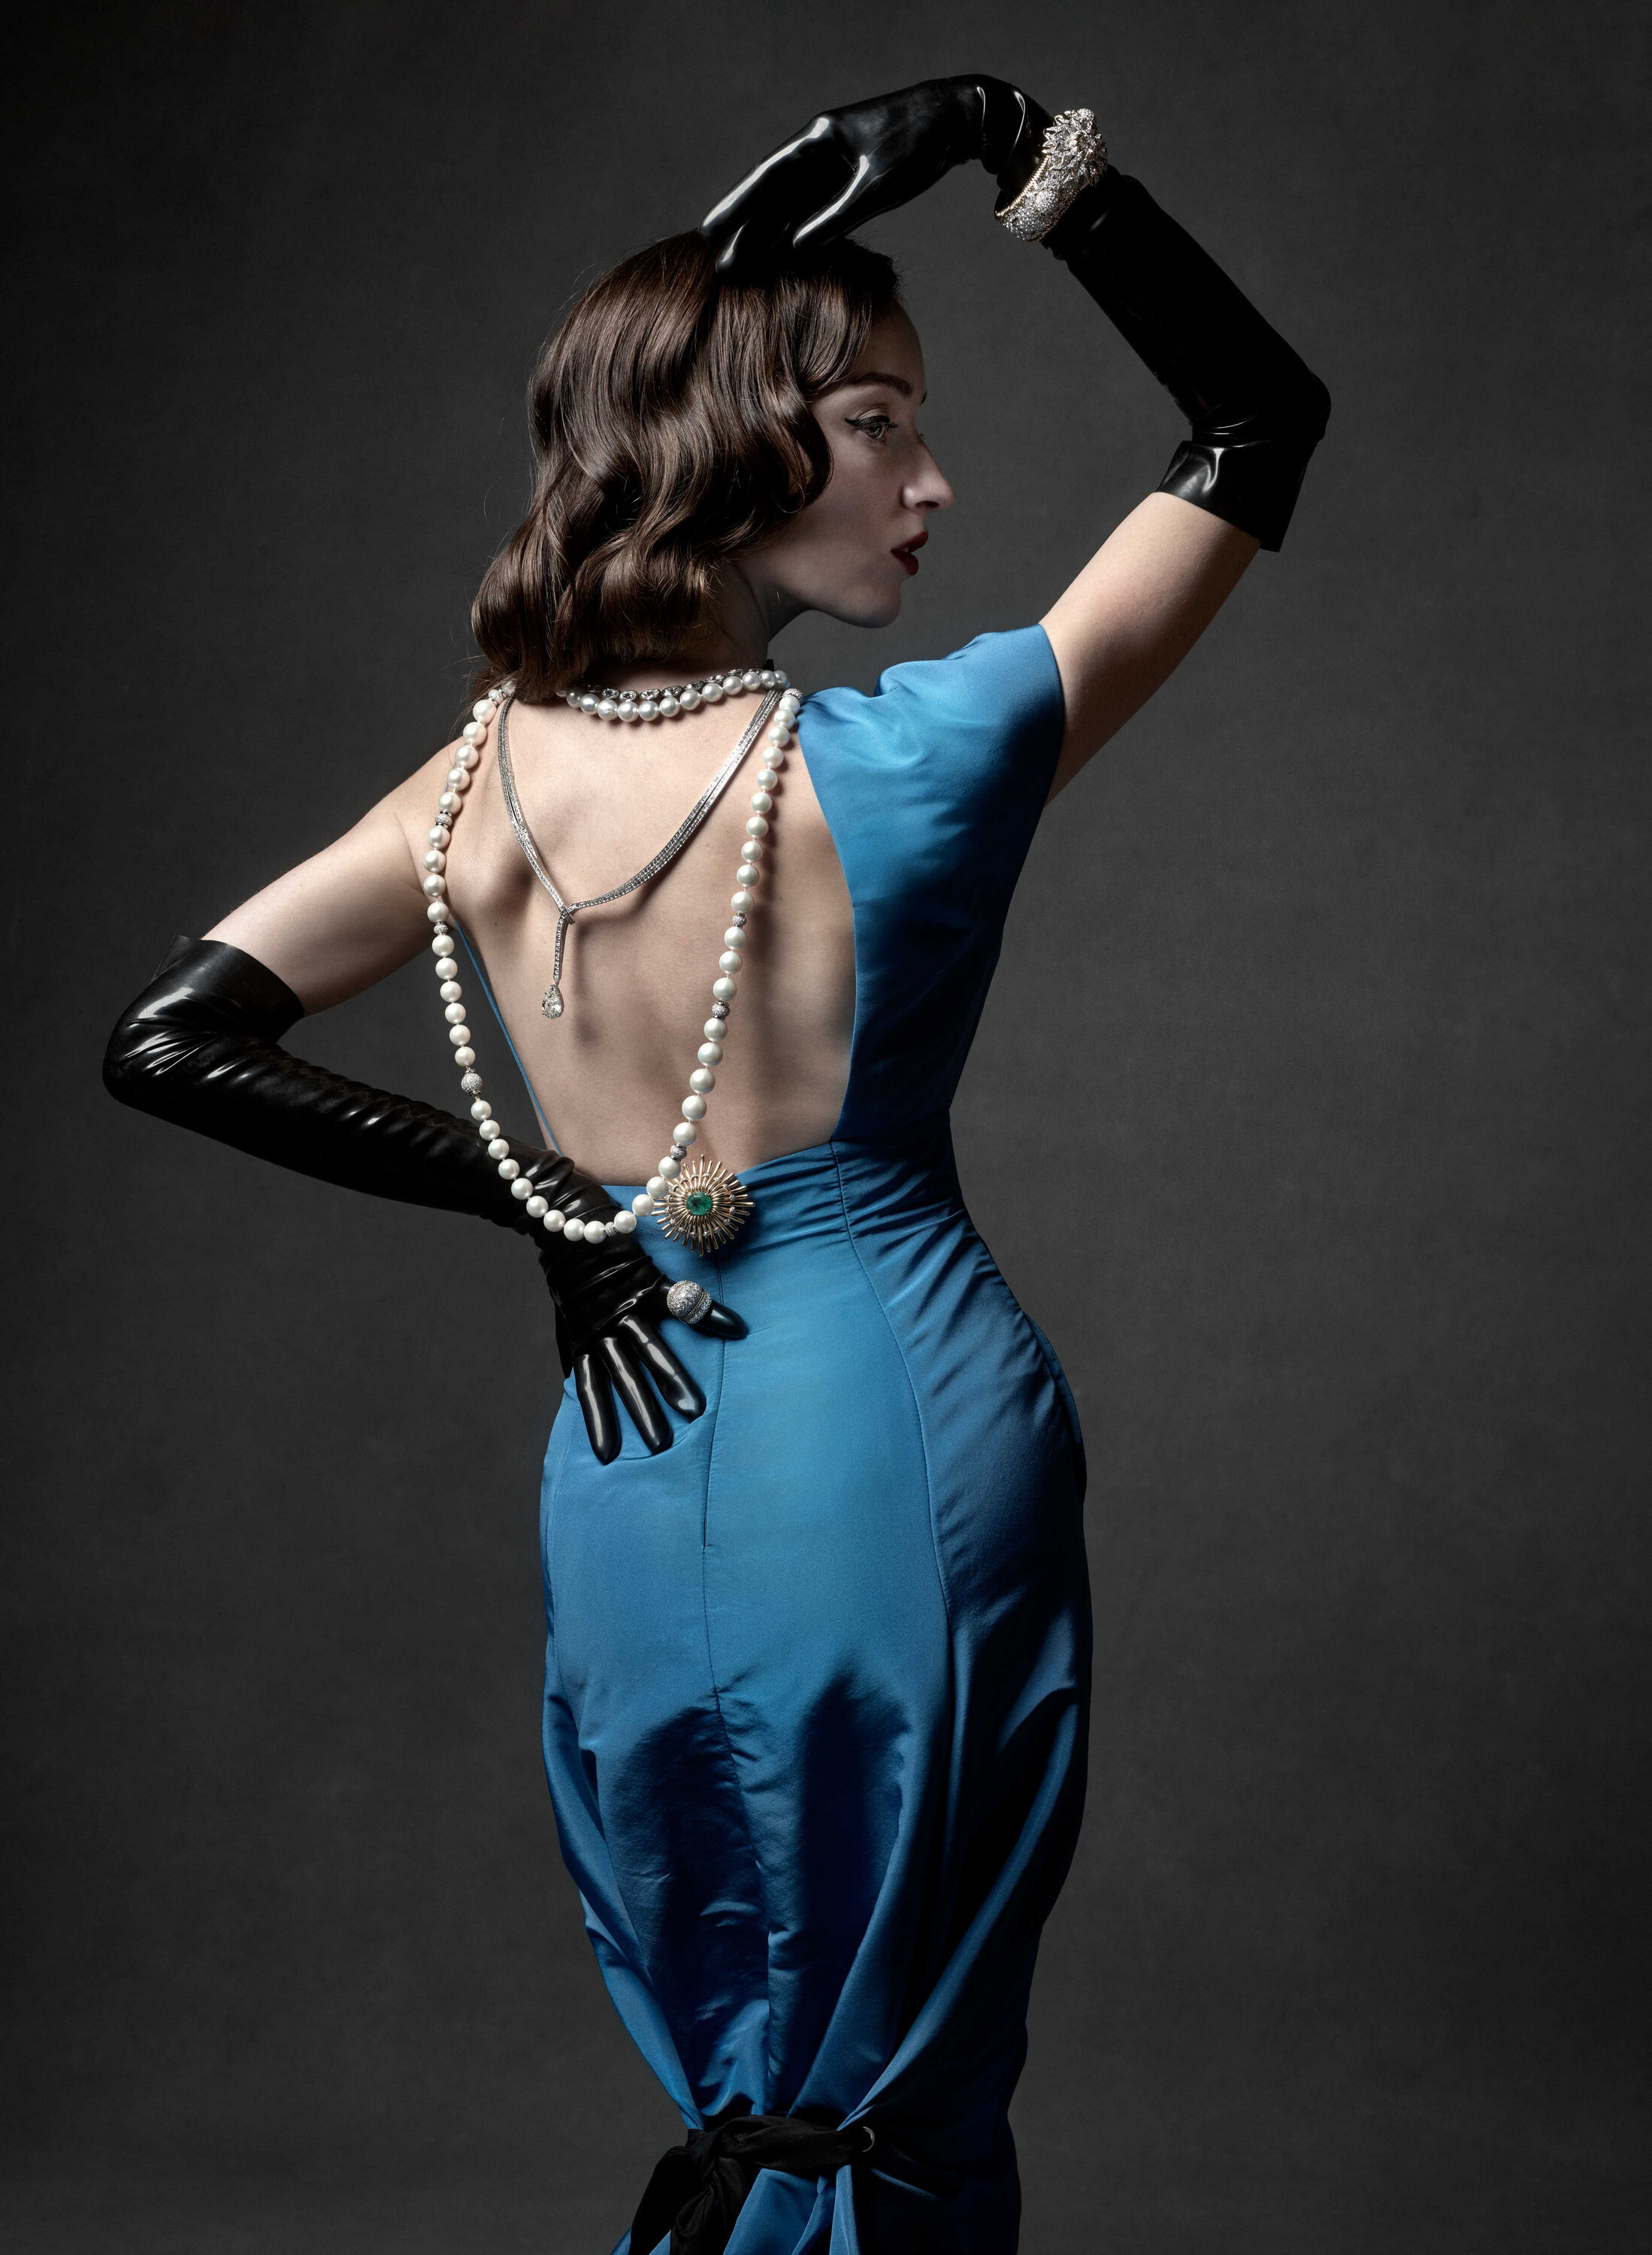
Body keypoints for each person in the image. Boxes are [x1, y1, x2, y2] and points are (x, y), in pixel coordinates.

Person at [104, 76, 1328, 2255]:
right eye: (879, 424)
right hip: (894, 1411)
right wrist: (1009, 143)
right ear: (736, 449)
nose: (933, 483)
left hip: (626, 1419)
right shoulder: (931, 753)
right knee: (894, 2008)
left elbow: (170, 1040)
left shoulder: (468, 787)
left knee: (744, 2007)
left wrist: (559, 1219)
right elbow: (1257, 419)